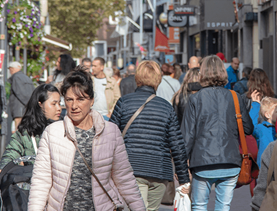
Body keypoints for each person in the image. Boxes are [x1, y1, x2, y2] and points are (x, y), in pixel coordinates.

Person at [27, 67, 146, 211]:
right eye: (69, 100)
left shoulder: (110, 132)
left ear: (91, 100)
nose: (74, 106)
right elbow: (41, 181)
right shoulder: (53, 132)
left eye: (81, 99)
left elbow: (124, 178)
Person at [110, 61, 191, 211]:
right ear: (158, 79)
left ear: (137, 77)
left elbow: (110, 137)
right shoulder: (166, 107)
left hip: (132, 168)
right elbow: (177, 145)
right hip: (159, 172)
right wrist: (184, 179)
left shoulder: (124, 103)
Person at [182, 55, 253, 211]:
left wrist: (181, 168)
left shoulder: (195, 99)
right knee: (223, 206)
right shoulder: (234, 97)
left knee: (199, 205)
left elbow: (187, 137)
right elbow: (248, 129)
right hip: (230, 161)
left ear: (202, 73)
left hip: (202, 162)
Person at [0, 83, 62, 172]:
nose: (59, 108)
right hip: (35, 183)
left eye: (59, 103)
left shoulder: (65, 129)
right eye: (54, 104)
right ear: (40, 104)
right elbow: (11, 153)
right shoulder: (26, 133)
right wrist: (2, 169)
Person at [249, 95, 277, 168]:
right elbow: (251, 124)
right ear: (267, 115)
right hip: (264, 169)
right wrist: (255, 104)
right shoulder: (261, 129)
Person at [8, 61, 35, 130]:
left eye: (10, 69)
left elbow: (19, 92)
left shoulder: (16, 77)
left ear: (12, 68)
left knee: (18, 128)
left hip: (19, 108)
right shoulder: (27, 77)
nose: (9, 71)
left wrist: (27, 103)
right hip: (26, 107)